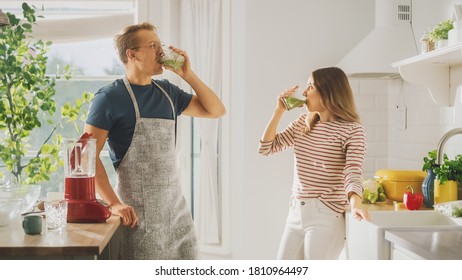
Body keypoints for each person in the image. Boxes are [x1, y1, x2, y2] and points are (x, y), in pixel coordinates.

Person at [84, 22, 226, 260]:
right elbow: (86, 157)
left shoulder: (168, 93)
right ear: (132, 54)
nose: (161, 51)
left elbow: (216, 110)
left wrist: (188, 75)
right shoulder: (109, 98)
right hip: (139, 220)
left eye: (160, 45)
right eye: (152, 46)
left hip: (178, 216)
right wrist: (114, 204)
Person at [258, 66, 369, 260]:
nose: (304, 92)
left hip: (326, 215)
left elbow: (352, 172)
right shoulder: (304, 123)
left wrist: (356, 204)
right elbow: (266, 148)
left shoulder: (353, 130)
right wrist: (279, 111)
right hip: (296, 212)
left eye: (310, 86)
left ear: (328, 92)